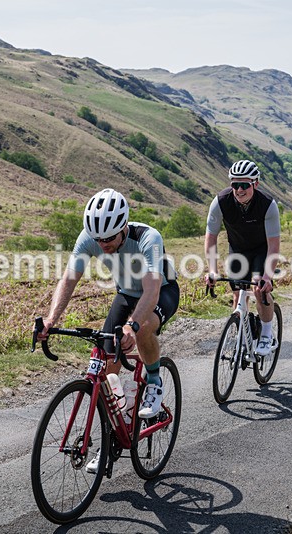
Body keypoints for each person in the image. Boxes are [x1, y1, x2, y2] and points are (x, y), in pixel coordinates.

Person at [37, 188, 179, 472]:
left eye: (109, 239)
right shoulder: (89, 238)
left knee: (141, 330)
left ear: (124, 227)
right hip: (126, 294)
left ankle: (153, 382)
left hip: (160, 293)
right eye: (98, 239)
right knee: (105, 362)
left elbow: (151, 289)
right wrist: (51, 319)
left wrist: (132, 325)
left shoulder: (148, 237)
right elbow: (69, 278)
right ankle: (113, 431)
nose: (103, 245)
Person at [204, 159, 281, 358]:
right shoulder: (220, 202)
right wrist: (212, 269)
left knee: (258, 288)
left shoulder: (268, 205)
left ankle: (266, 333)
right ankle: (242, 337)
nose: (239, 190)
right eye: (235, 185)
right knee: (238, 293)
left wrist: (267, 276)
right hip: (238, 249)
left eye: (244, 185)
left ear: (255, 184)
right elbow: (211, 238)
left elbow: (273, 245)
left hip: (261, 250)